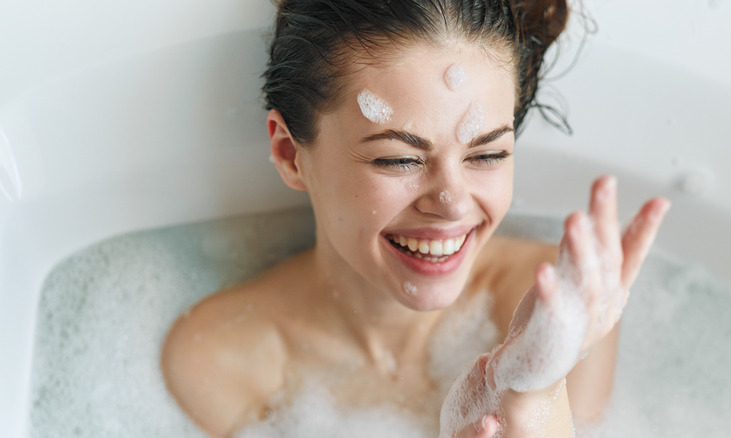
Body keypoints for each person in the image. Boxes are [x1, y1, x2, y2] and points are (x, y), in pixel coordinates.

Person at [161, 1, 670, 436]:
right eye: (398, 159)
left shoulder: (551, 310)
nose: (452, 201)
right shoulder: (221, 360)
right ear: (290, 154)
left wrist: (531, 394)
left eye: (487, 155)